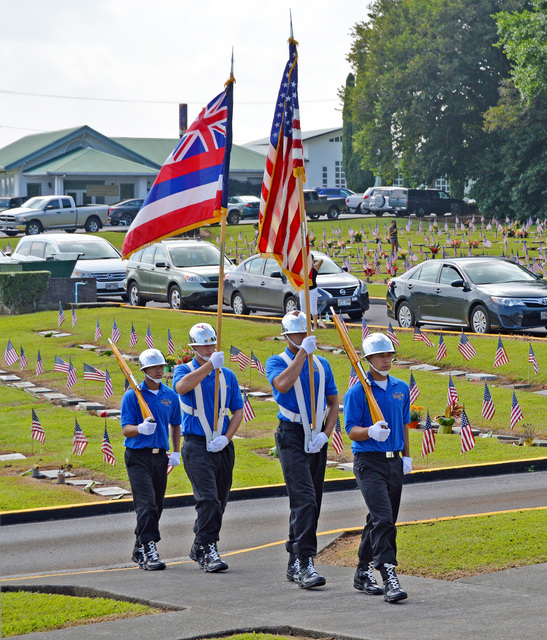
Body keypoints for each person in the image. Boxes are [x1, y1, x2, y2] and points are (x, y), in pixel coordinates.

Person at [266, 310, 339, 588]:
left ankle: (293, 559)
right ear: (286, 336)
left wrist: (326, 434)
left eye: (304, 332)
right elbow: (282, 385)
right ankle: (306, 561)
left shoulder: (321, 364)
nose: (302, 336)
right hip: (291, 434)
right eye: (296, 333)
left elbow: (334, 403)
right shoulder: (277, 361)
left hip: (315, 435)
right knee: (304, 499)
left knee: (311, 502)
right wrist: (301, 355)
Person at [343, 332, 412, 603]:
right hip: (368, 462)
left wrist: (406, 456)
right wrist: (370, 431)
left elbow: (404, 424)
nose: (386, 360)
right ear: (368, 359)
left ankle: (362, 571)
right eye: (380, 356)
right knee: (383, 518)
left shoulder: (401, 388)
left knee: (379, 519)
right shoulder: (358, 392)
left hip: (394, 461)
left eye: (389, 355)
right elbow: (350, 430)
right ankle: (388, 575)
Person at [173, 322, 243, 573]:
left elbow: (237, 411)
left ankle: (199, 544)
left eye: (212, 343)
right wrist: (208, 366)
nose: (209, 347)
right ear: (194, 347)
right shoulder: (184, 370)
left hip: (222, 445)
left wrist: (227, 437)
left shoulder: (228, 376)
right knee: (208, 500)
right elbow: (181, 388)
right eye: (204, 344)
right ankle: (209, 547)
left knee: (220, 501)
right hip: (196, 444)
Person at [121, 348, 182, 571]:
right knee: (145, 504)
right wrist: (140, 428)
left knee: (156, 505)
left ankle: (139, 545)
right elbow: (126, 429)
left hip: (160, 457)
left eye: (161, 367)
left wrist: (176, 451)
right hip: (137, 456)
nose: (159, 371)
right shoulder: (132, 396)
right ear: (144, 370)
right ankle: (149, 549)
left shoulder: (170, 396)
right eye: (154, 367)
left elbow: (176, 424)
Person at [298, 254, 327, 330]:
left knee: (313, 308)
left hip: (312, 289)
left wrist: (314, 261)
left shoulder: (315, 268)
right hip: (303, 289)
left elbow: (321, 260)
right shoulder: (302, 269)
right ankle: (305, 325)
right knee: (303, 308)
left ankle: (315, 325)